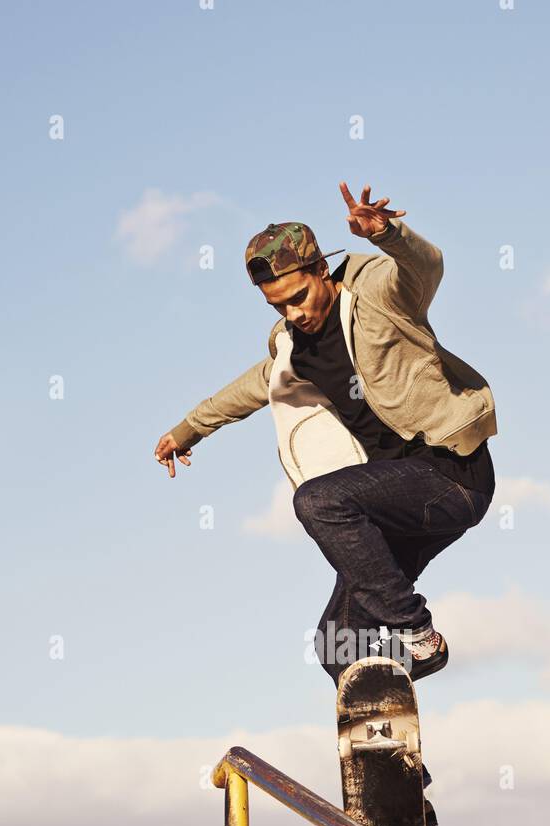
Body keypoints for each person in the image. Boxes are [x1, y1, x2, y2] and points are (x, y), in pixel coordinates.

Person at [154, 181, 497, 687]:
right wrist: (188, 430)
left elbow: (426, 269)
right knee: (339, 642)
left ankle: (418, 633)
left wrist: (389, 234)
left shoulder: (378, 295)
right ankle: (389, 757)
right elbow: (251, 388)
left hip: (451, 475)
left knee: (320, 501)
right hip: (395, 501)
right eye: (278, 307)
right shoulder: (293, 346)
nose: (294, 314)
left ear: (321, 271)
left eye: (299, 297)